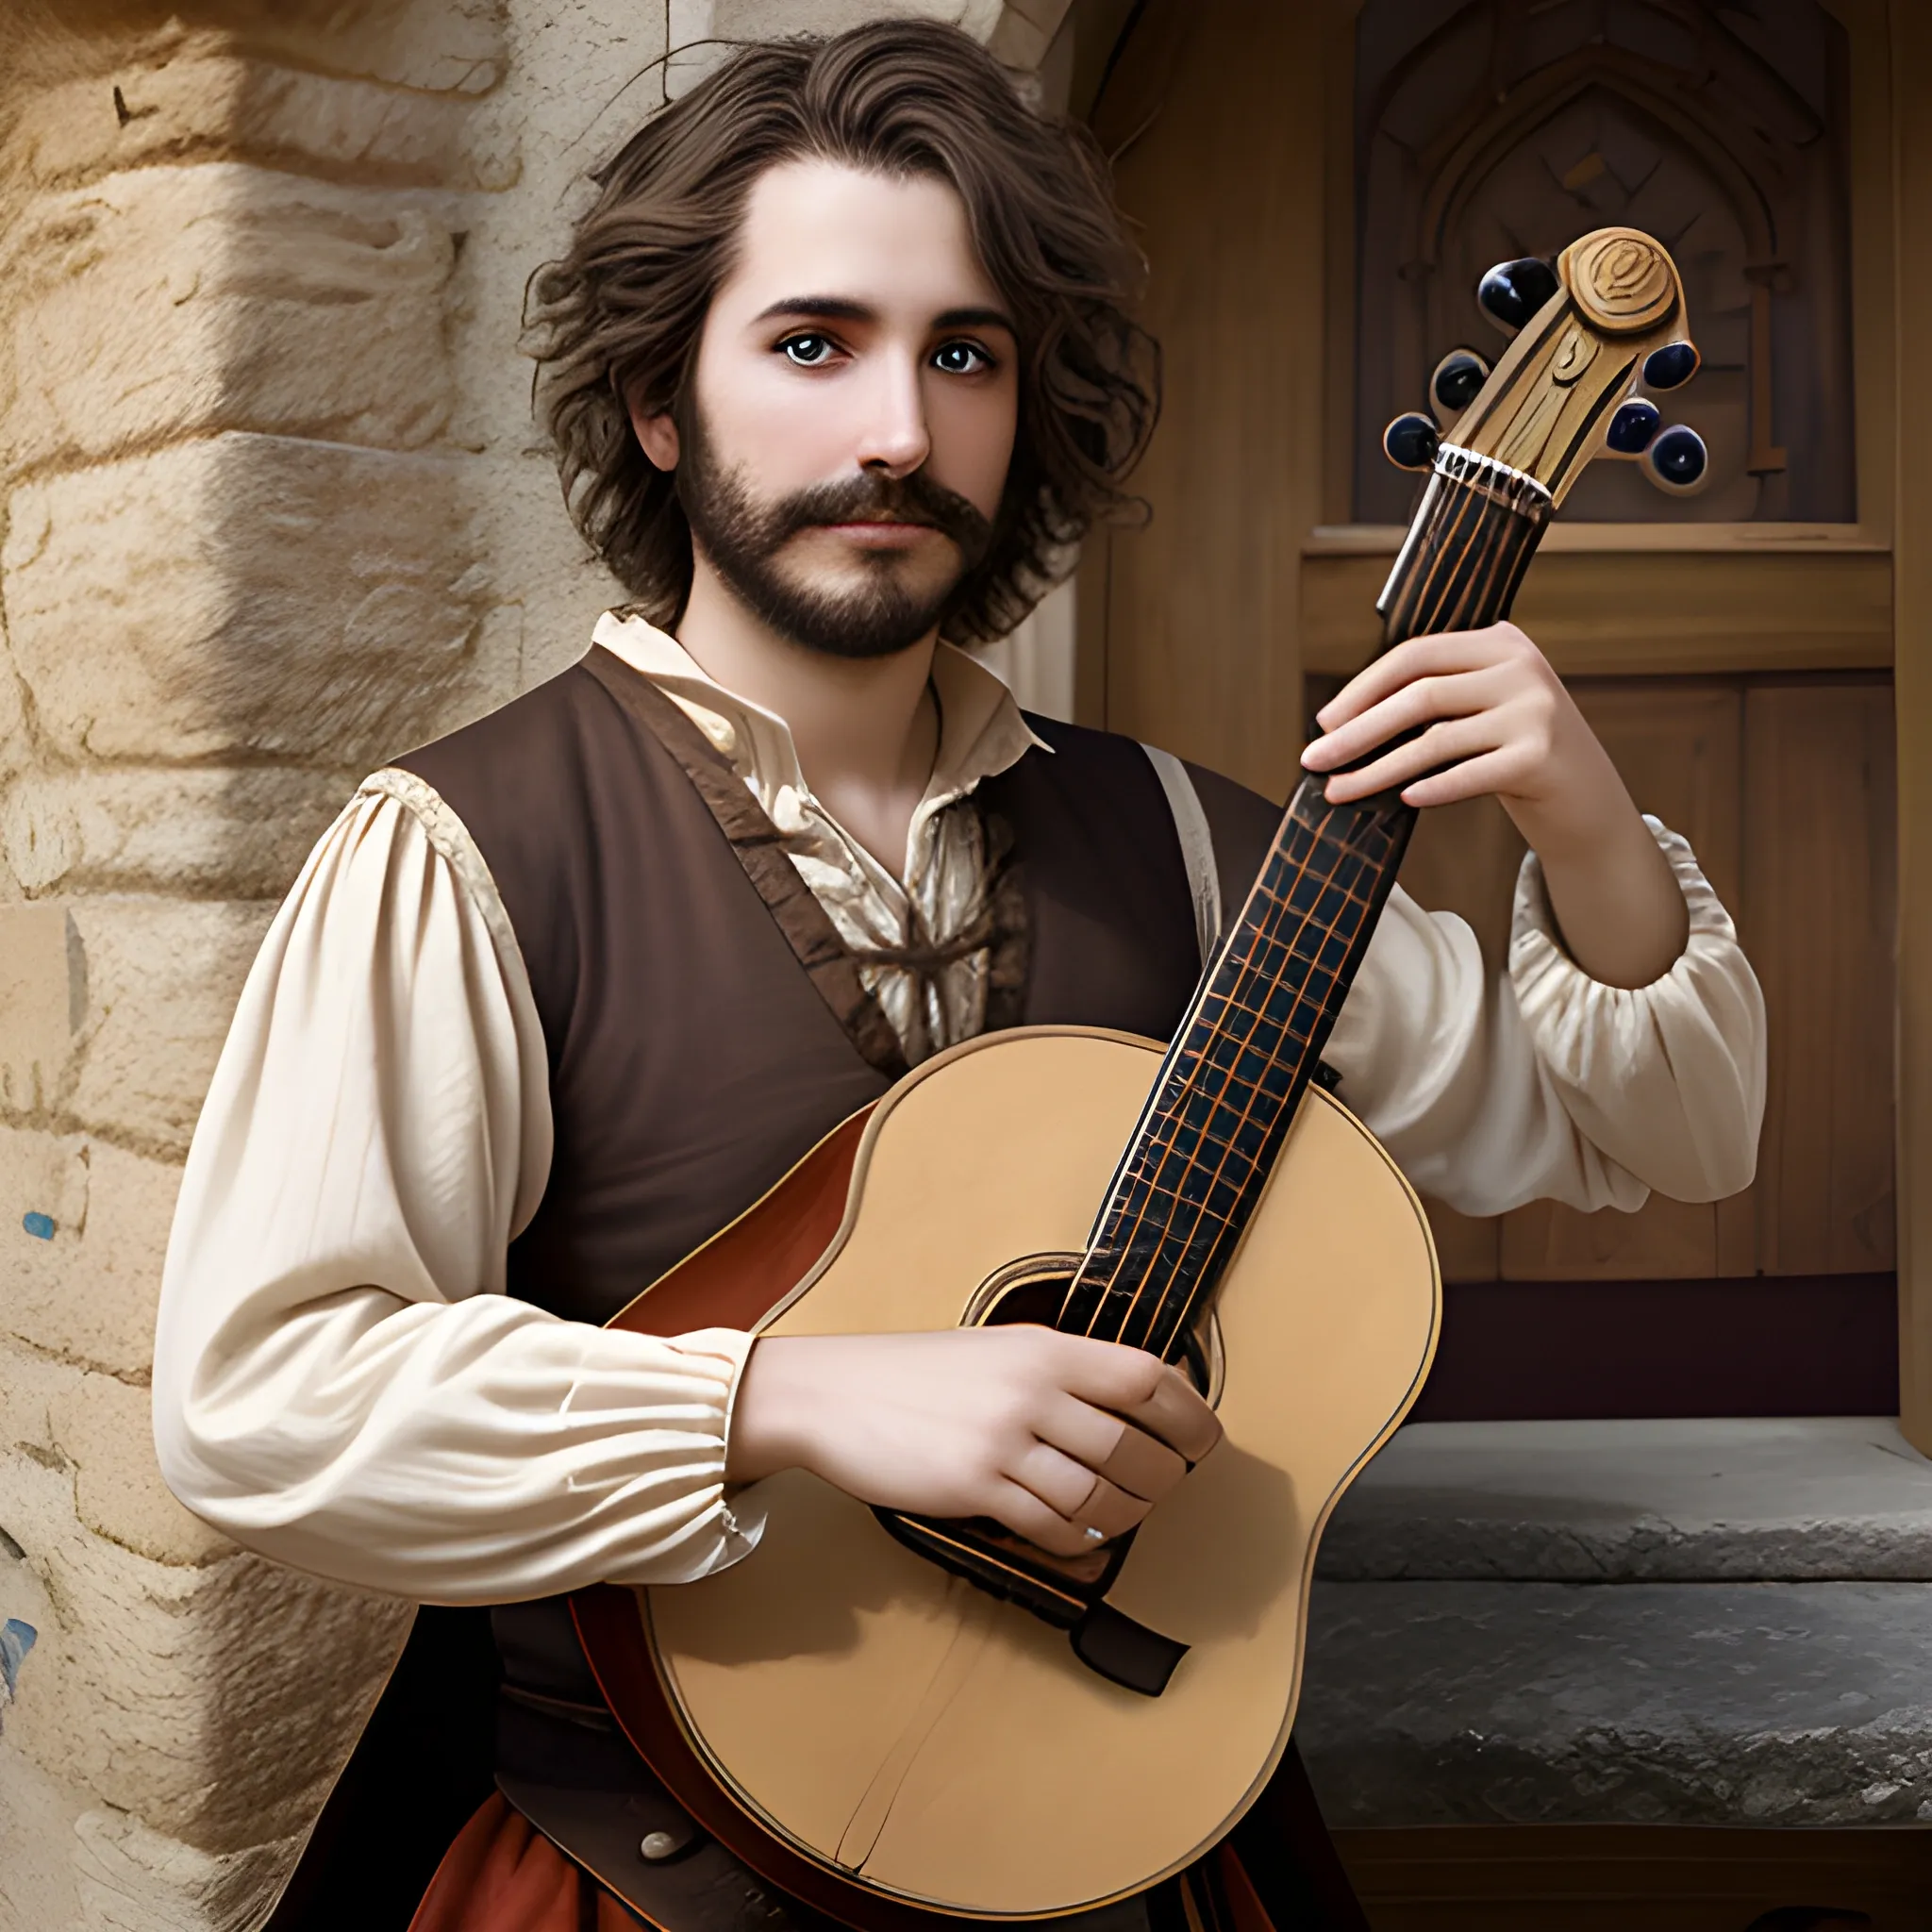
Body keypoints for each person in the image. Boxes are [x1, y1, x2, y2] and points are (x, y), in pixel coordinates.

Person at [152, 20, 1767, 1932]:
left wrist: (1577, 817)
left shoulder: (1189, 846)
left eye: (964, 354)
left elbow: (1653, 1136)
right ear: (660, 404)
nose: (898, 431)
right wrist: (796, 1401)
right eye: (813, 342)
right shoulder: (467, 850)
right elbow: (259, 1397)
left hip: (1128, 1863)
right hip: (642, 1882)